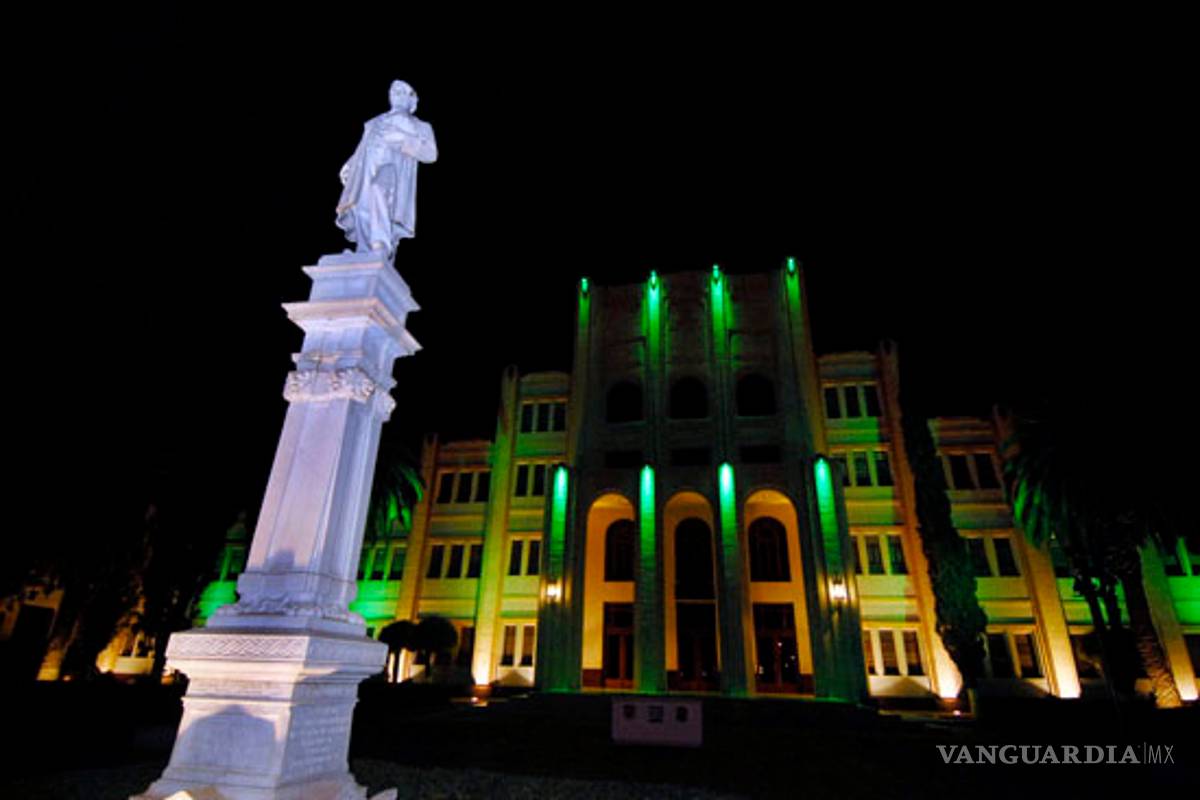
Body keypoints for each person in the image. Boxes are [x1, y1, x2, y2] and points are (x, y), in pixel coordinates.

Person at [336, 80, 438, 257]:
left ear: (412, 100)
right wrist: (350, 163)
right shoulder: (374, 122)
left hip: (393, 169)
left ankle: (381, 244)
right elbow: (364, 147)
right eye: (393, 91)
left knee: (379, 190)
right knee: (362, 205)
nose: (396, 93)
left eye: (402, 91)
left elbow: (431, 154)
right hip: (366, 169)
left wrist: (402, 139)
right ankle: (364, 251)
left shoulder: (420, 126)